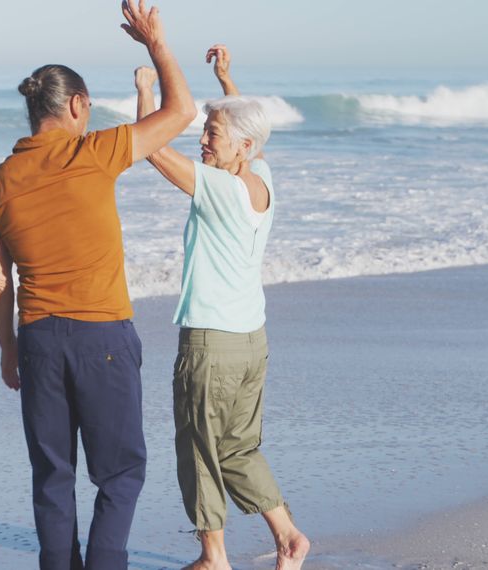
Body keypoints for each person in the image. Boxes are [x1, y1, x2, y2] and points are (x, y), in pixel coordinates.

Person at [0, 2, 197, 568]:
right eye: (88, 106)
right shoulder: (93, 151)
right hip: (102, 336)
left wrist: (8, 349)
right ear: (77, 106)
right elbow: (181, 111)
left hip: (39, 340)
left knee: (53, 477)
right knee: (120, 473)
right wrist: (156, 44)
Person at [134, 45, 311, 570]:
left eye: (211, 134)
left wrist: (146, 89)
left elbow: (152, 148)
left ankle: (213, 558)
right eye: (205, 132)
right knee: (236, 448)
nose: (202, 141)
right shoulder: (262, 182)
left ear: (242, 146)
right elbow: (246, 127)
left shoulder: (220, 189)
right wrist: (227, 81)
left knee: (198, 448)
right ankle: (288, 538)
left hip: (211, 343)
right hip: (251, 341)